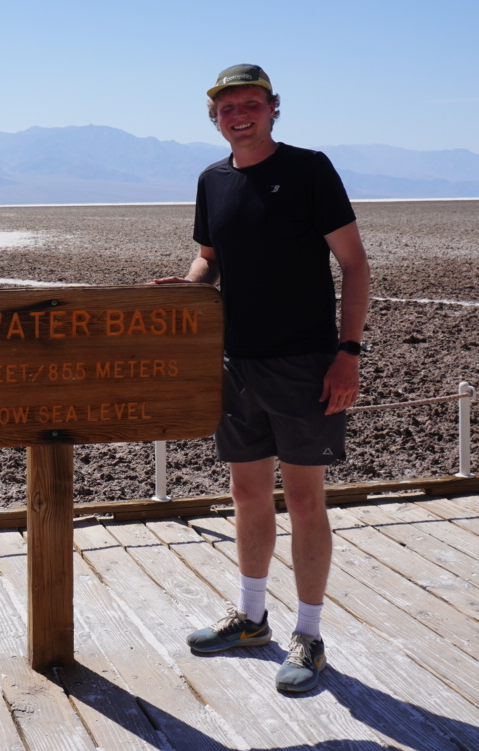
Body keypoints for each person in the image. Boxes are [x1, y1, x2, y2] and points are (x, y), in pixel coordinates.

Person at [156, 64, 370, 694]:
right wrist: (188, 288)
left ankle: (309, 635)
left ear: (275, 108)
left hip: (305, 363)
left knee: (305, 500)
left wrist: (347, 353)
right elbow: (210, 259)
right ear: (213, 117)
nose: (239, 115)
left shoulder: (309, 170)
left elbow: (354, 265)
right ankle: (250, 619)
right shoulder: (212, 181)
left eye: (251, 104)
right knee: (248, 496)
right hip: (236, 363)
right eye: (227, 108)